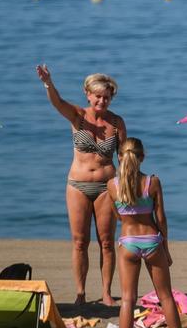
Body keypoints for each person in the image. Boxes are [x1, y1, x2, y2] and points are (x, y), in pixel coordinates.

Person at [37, 64, 127, 305]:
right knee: (80, 242)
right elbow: (57, 102)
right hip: (77, 185)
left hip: (107, 187)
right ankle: (80, 293)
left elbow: (123, 158)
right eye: (98, 96)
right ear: (88, 94)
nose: (102, 100)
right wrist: (48, 82)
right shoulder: (77, 115)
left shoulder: (117, 123)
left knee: (107, 242)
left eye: (106, 97)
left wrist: (128, 186)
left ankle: (106, 292)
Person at [107, 138, 187, 328]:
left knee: (127, 299)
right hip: (152, 241)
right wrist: (166, 247)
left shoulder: (112, 185)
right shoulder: (152, 182)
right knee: (166, 297)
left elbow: (118, 217)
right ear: (142, 157)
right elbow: (161, 219)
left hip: (129, 242)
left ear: (119, 157)